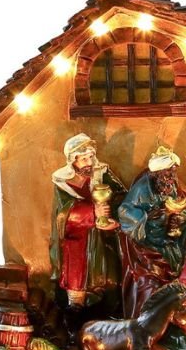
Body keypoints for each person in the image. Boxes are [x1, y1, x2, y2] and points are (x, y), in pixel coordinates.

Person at [49, 134, 127, 323]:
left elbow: (122, 197)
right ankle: (76, 314)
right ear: (73, 161)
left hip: (103, 240)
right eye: (84, 159)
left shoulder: (102, 173)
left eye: (91, 157)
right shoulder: (62, 182)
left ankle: (108, 316)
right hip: (77, 241)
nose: (89, 162)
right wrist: (93, 212)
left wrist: (113, 218)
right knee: (77, 282)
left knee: (111, 280)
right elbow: (63, 215)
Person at [117, 146, 186, 316]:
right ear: (157, 173)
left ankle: (173, 316)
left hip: (169, 244)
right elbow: (125, 212)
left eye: (173, 171)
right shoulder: (142, 189)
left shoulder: (173, 185)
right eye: (168, 172)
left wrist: (182, 218)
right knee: (149, 285)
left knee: (179, 280)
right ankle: (147, 319)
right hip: (145, 249)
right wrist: (148, 217)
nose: (172, 176)